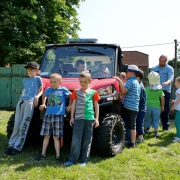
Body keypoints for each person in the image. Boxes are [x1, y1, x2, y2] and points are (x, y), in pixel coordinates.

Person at [4, 62, 43, 156]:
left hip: (29, 103)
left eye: (32, 70)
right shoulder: (25, 80)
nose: (30, 71)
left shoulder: (38, 78)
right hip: (21, 102)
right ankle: (11, 145)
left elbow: (41, 90)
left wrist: (37, 97)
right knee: (16, 125)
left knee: (23, 125)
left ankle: (17, 147)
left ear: (36, 71)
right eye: (28, 70)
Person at [64, 71, 100, 167]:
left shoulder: (94, 92)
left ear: (89, 81)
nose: (83, 84)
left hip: (89, 119)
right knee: (76, 139)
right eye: (81, 82)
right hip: (78, 118)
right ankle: (72, 159)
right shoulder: (76, 92)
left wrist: (96, 119)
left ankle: (84, 160)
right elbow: (73, 105)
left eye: (85, 82)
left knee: (87, 140)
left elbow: (96, 106)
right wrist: (72, 118)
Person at [35, 73, 71, 162]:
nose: (53, 83)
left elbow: (72, 96)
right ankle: (43, 154)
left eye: (55, 82)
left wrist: (70, 106)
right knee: (46, 135)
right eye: (51, 82)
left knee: (56, 137)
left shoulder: (63, 89)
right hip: (48, 115)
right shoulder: (48, 89)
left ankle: (58, 155)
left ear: (60, 82)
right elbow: (44, 95)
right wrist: (43, 103)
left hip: (58, 116)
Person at [114, 65, 140, 148]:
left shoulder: (130, 81)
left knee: (122, 122)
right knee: (133, 126)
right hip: (135, 107)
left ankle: (122, 139)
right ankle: (133, 143)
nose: (126, 74)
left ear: (131, 73)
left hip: (127, 106)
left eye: (127, 72)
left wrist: (120, 82)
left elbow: (124, 91)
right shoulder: (137, 82)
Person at [151, 55, 174, 131]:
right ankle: (152, 127)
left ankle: (165, 126)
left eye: (164, 61)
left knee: (165, 109)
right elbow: (150, 78)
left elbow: (171, 78)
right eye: (161, 61)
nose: (162, 63)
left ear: (166, 61)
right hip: (155, 90)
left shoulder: (169, 68)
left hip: (165, 90)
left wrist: (167, 83)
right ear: (159, 59)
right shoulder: (154, 69)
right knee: (154, 108)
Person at [144, 71, 164, 137]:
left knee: (147, 118)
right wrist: (162, 106)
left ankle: (145, 130)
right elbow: (162, 98)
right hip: (157, 107)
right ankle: (156, 132)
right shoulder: (160, 90)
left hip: (148, 106)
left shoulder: (146, 89)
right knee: (156, 119)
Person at [136, 70, 146, 143]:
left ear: (138, 78)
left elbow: (139, 98)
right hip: (139, 107)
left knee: (139, 122)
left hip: (141, 108)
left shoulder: (140, 87)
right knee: (137, 122)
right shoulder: (139, 85)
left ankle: (140, 137)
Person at [170, 76, 180, 142]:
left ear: (179, 82)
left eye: (175, 82)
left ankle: (178, 136)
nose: (175, 84)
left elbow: (179, 99)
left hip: (179, 109)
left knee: (177, 122)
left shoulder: (178, 90)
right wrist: (174, 100)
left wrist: (173, 106)